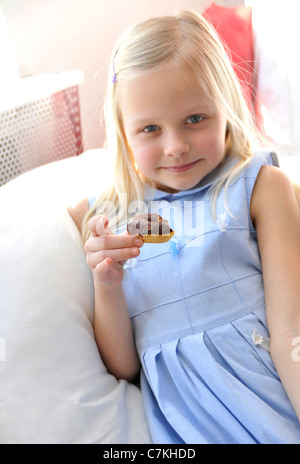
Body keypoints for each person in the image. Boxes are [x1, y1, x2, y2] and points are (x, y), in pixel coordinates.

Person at [68, 10, 300, 444]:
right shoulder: (109, 217)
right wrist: (107, 284)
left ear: (225, 106)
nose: (175, 146)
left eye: (196, 118)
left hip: (272, 407)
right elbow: (125, 366)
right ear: (123, 131)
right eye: (150, 128)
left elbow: (292, 327)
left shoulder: (259, 187)